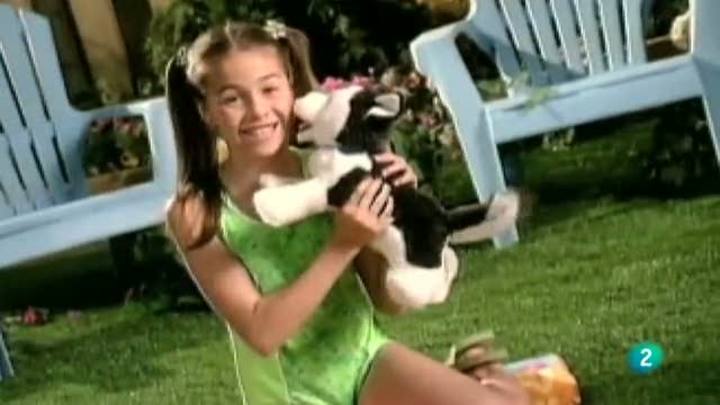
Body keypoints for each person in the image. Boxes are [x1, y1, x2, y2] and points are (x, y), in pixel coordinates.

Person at [164, 19, 528, 405]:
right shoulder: (197, 210)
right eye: (232, 99)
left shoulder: (329, 168)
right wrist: (342, 244)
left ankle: (468, 380)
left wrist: (398, 216)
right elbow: (263, 333)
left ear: (290, 87)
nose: (258, 110)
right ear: (205, 110)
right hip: (292, 395)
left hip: (365, 360)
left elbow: (387, 302)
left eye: (269, 88)